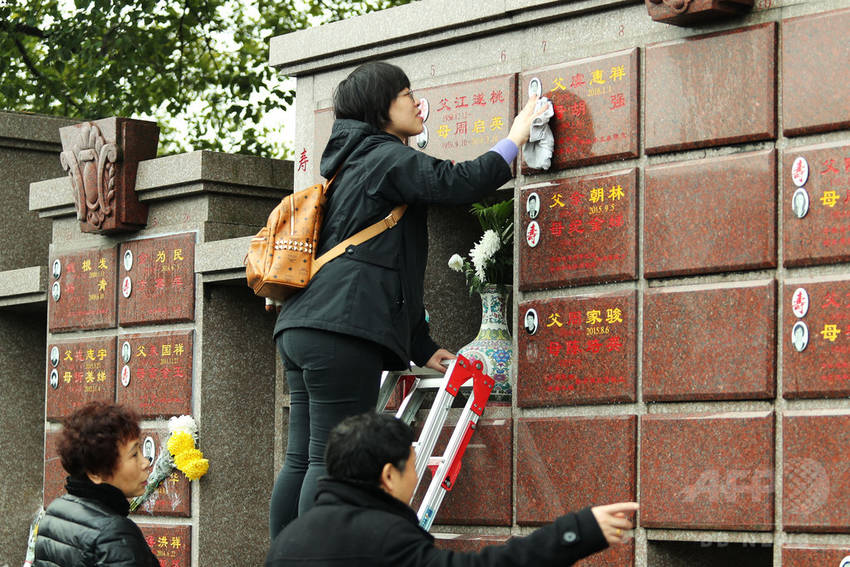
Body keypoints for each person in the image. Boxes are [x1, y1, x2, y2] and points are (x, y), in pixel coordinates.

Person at [269, 60, 543, 537]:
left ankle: (284, 553)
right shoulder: (385, 157)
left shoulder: (349, 165)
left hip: (301, 326)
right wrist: (516, 136)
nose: (417, 103)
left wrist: (420, 345)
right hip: (340, 329)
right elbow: (457, 184)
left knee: (301, 457)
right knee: (330, 460)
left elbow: (385, 263)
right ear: (381, 109)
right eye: (406, 95)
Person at [266, 412, 638, 566]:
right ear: (388, 476)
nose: (417, 477)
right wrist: (580, 530)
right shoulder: (384, 540)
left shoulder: (288, 540)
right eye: (412, 466)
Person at [35, 401, 160, 567]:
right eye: (134, 455)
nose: (145, 462)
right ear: (96, 473)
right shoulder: (113, 533)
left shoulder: (54, 513)